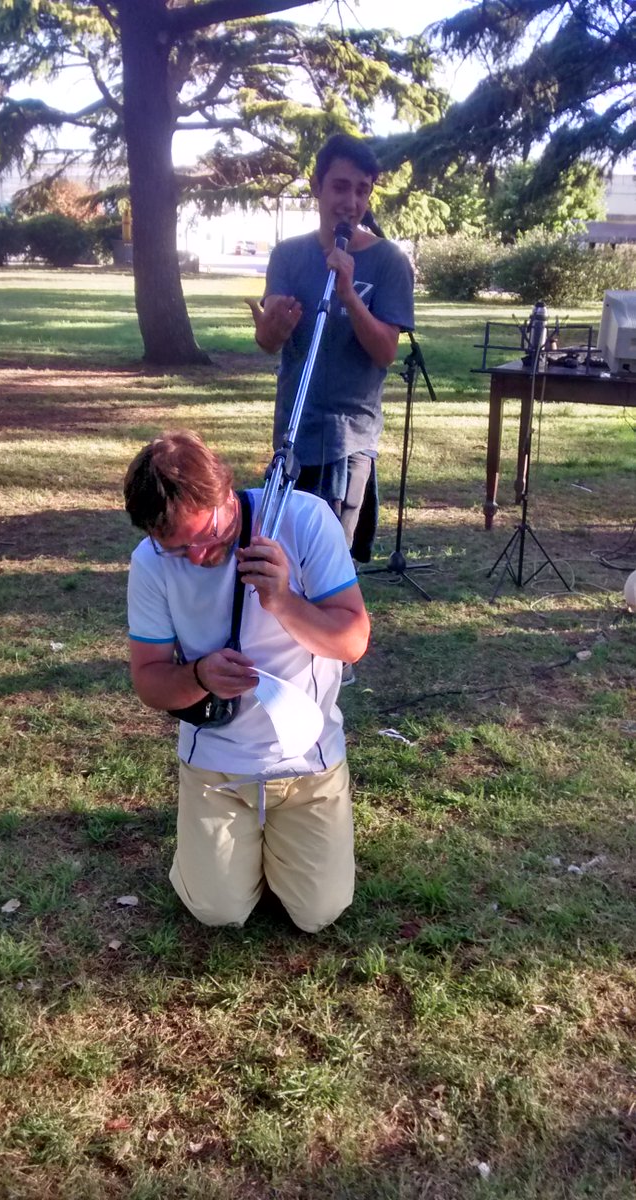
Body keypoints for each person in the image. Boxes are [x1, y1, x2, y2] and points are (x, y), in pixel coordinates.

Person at [124, 431, 370, 933]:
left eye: (207, 537)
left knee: (317, 912)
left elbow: (352, 641)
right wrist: (199, 675)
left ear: (226, 491)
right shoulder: (150, 562)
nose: (196, 557)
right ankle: (226, 859)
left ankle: (271, 850)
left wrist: (284, 601)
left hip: (308, 761)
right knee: (218, 910)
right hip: (218, 767)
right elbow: (150, 682)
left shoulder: (302, 519)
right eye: (176, 548)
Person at [247, 132, 415, 558]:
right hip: (293, 433)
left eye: (362, 190)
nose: (351, 202)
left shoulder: (390, 262)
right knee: (280, 558)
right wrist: (273, 327)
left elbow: (386, 352)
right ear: (316, 186)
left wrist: (349, 295)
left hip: (349, 440)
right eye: (341, 186)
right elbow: (268, 343)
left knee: (329, 566)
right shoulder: (288, 255)